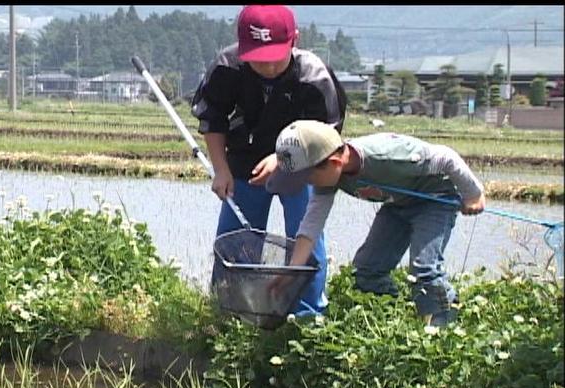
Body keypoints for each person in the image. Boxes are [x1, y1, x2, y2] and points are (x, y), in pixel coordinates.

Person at [191, 5, 347, 316]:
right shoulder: (227, 67)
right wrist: (221, 170)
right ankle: (229, 316)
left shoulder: (314, 76)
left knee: (304, 238)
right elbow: (213, 120)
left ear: (295, 41)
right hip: (245, 165)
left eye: (275, 57)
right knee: (236, 240)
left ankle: (307, 319)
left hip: (302, 167)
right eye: (258, 59)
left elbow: (327, 138)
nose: (268, 67)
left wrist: (283, 159)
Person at [266, 120, 486, 327]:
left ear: (333, 163)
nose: (307, 184)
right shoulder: (329, 175)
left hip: (434, 199)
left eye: (307, 178)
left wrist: (473, 194)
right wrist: (292, 271)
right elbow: (311, 224)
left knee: (424, 269)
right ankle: (396, 320)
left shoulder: (387, 156)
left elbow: (446, 157)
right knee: (366, 271)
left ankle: (445, 327)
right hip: (397, 206)